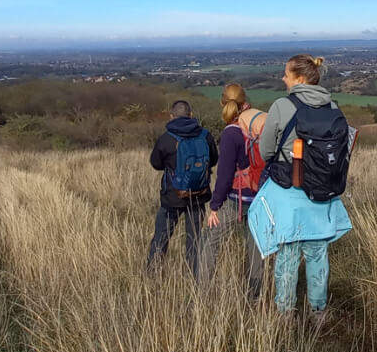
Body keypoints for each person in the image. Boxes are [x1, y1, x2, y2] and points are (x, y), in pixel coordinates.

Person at [249, 54, 353, 325]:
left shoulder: (283, 106)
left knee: (289, 253)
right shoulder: (332, 105)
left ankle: (286, 313)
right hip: (322, 190)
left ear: (300, 79)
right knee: (318, 252)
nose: (283, 78)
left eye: (287, 74)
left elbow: (266, 151)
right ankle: (319, 312)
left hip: (290, 189)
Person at [198, 84, 264, 301]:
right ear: (246, 101)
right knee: (255, 250)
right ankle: (253, 297)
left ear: (222, 103)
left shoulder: (230, 133)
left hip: (236, 199)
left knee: (211, 244)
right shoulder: (256, 126)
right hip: (260, 198)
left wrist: (215, 206)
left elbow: (225, 175)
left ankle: (203, 294)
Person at [147, 99, 218, 279]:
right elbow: (214, 160)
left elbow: (155, 163)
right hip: (199, 195)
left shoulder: (166, 138)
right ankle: (194, 277)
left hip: (172, 196)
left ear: (172, 116)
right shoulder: (205, 136)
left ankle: (153, 275)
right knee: (194, 239)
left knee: (162, 236)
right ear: (191, 115)